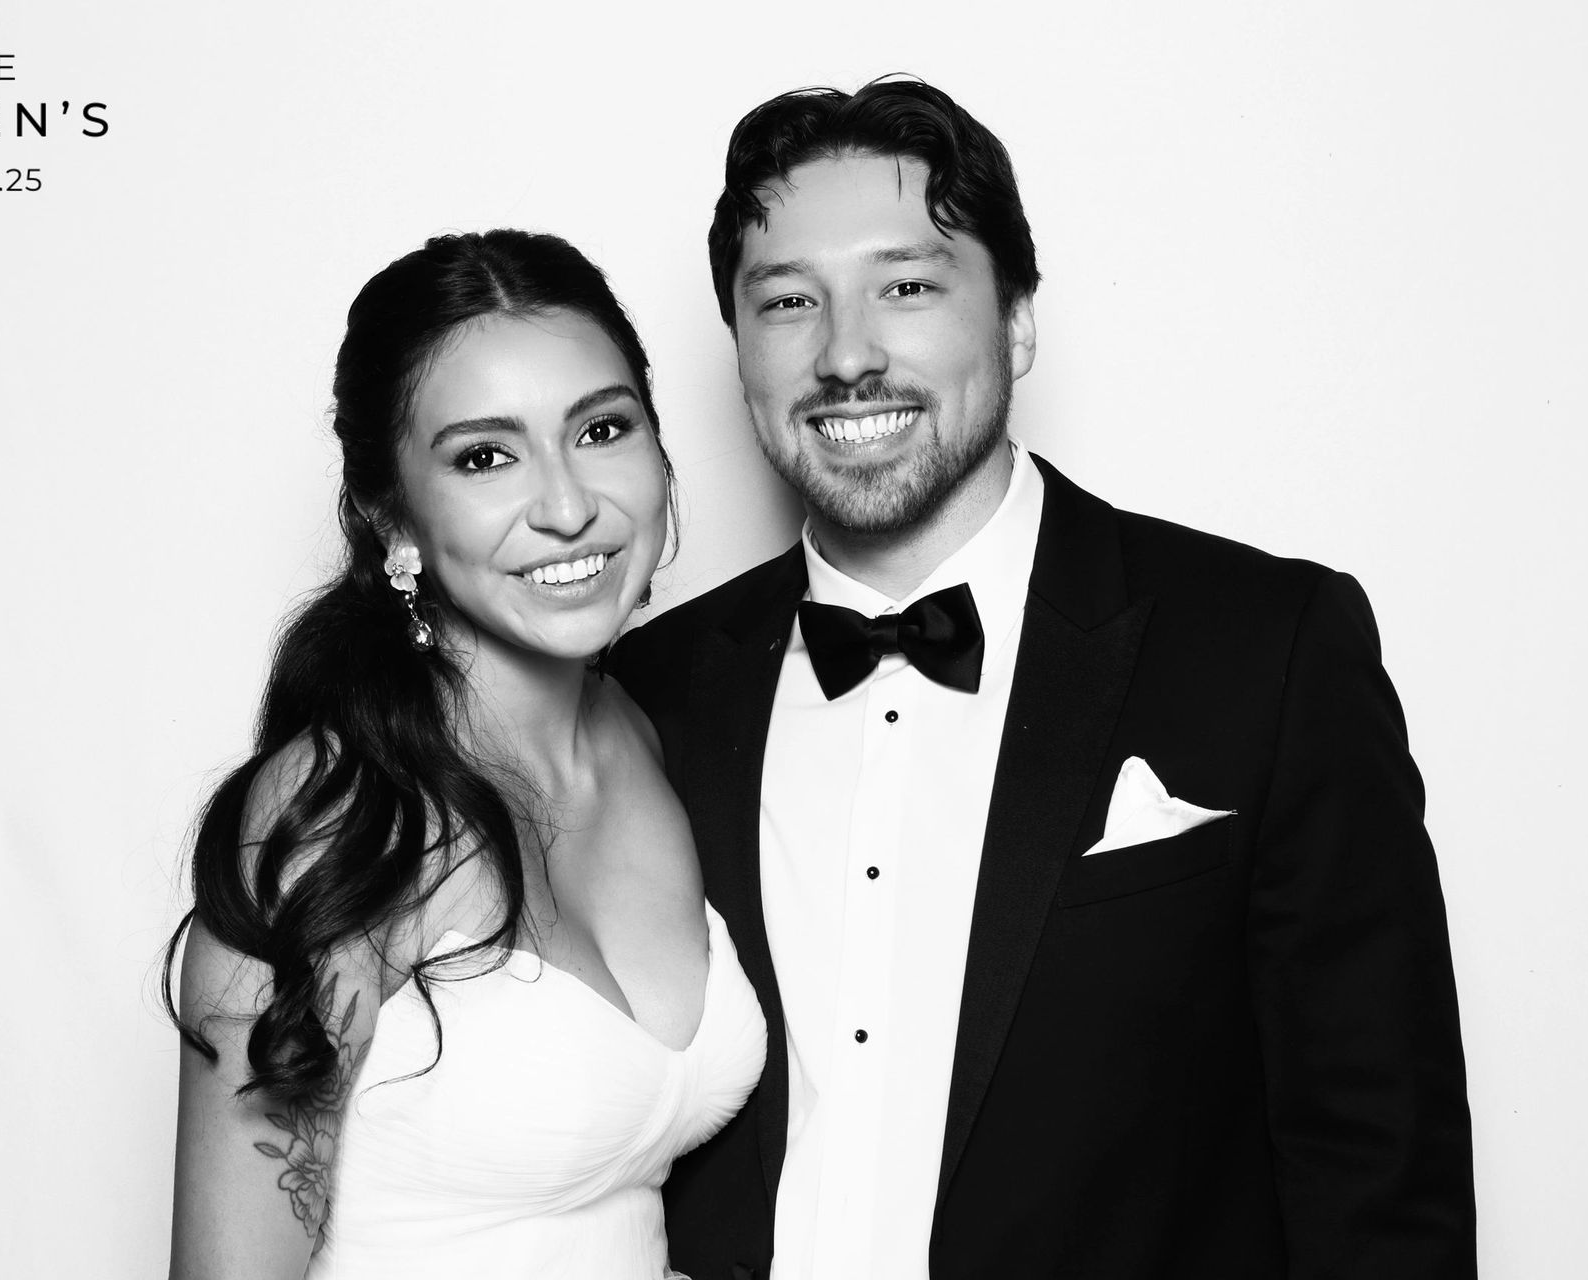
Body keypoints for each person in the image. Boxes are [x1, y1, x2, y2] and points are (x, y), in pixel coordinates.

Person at [609, 79, 1476, 1279]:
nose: (847, 354)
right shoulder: (640, 692)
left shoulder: (1266, 647)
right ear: (740, 353)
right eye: (788, 301)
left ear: (1016, 321)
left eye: (907, 286)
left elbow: (1381, 1166)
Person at [164, 229, 765, 1279]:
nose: (568, 505)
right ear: (392, 518)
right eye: (485, 455)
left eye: (602, 428)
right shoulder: (334, 819)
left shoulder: (645, 732)